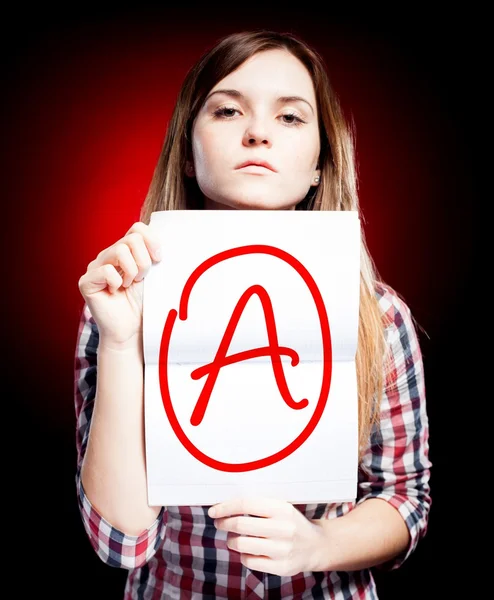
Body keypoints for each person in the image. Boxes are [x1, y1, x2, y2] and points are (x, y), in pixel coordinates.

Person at [74, 29, 432, 599]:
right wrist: (122, 346)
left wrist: (318, 543)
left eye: (290, 118)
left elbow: (404, 501)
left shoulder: (378, 317)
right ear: (187, 153)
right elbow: (123, 545)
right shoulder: (121, 303)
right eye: (227, 109)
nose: (258, 132)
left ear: (320, 164)